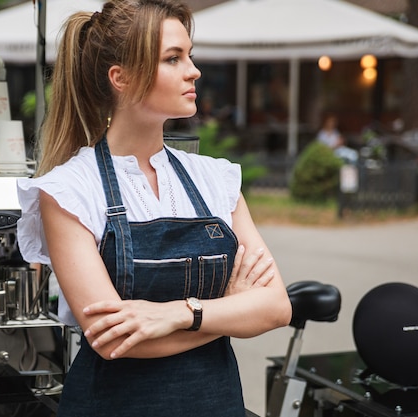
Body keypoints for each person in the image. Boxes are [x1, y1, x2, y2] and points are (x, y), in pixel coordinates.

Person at [15, 1, 292, 416]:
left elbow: (275, 308)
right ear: (120, 78)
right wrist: (226, 309)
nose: (193, 70)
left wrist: (180, 314)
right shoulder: (69, 190)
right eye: (173, 58)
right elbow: (112, 339)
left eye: (190, 55)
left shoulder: (215, 179)